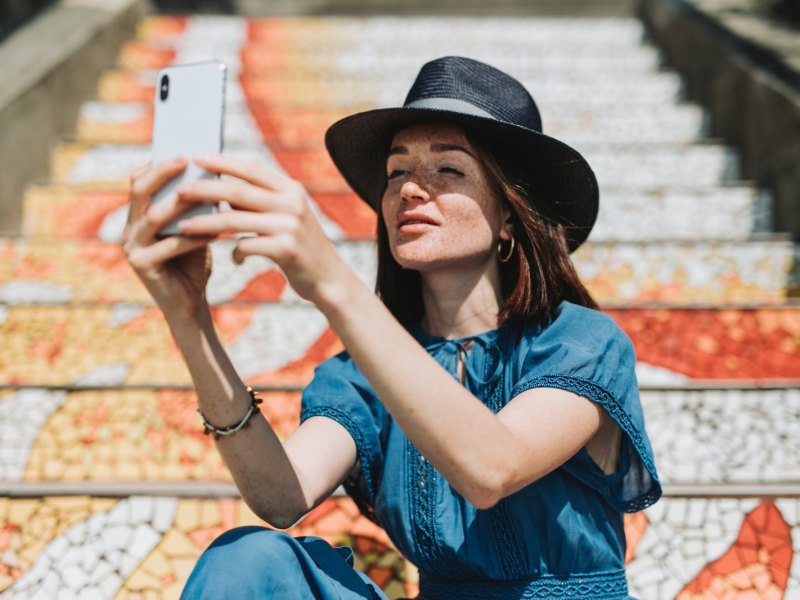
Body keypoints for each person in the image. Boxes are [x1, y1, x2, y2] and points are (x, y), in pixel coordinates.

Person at [123, 56, 661, 599]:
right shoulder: (364, 372)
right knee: (248, 558)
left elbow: (491, 469)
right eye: (396, 172)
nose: (409, 190)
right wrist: (190, 320)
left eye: (448, 169)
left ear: (508, 217)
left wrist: (333, 281)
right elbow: (282, 495)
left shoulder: (581, 342)